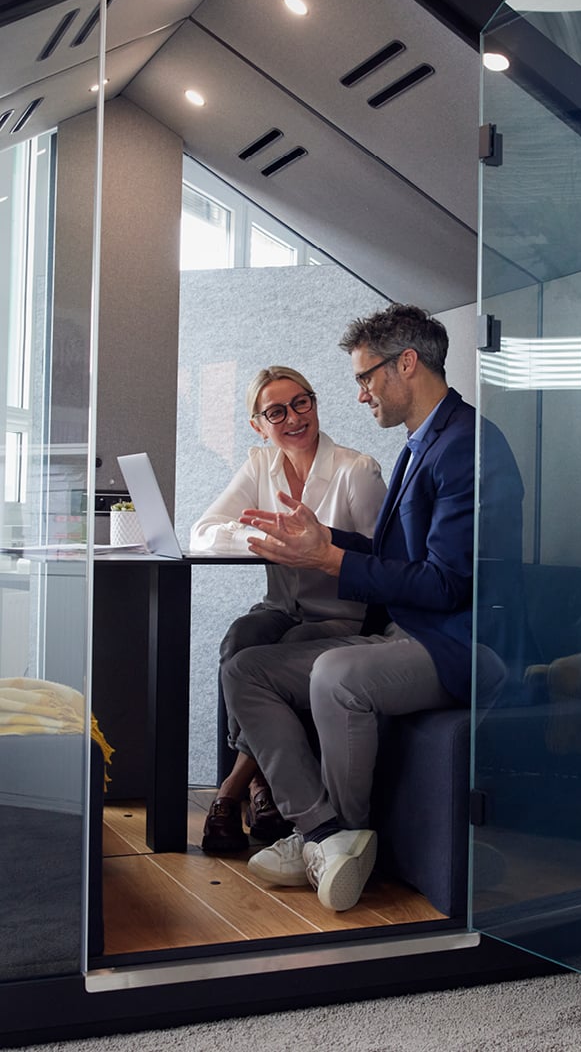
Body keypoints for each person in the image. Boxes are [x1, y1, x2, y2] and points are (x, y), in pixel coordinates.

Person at [221, 303, 482, 912]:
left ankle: (330, 843)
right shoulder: (421, 445)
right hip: (407, 631)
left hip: (456, 642)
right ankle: (324, 832)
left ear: (406, 365)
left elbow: (447, 586)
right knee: (246, 668)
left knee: (336, 674)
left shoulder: (465, 447)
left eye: (366, 377)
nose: (361, 395)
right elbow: (396, 555)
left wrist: (331, 562)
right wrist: (326, 541)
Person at [190, 365, 385, 853]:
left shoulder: (355, 471)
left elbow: (386, 561)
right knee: (240, 639)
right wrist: (265, 536)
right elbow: (205, 530)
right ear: (258, 424)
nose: (295, 417)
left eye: (303, 402)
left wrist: (322, 550)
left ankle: (236, 789)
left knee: (277, 654)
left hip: (341, 615)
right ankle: (261, 790)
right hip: (280, 606)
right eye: (277, 411)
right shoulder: (261, 465)